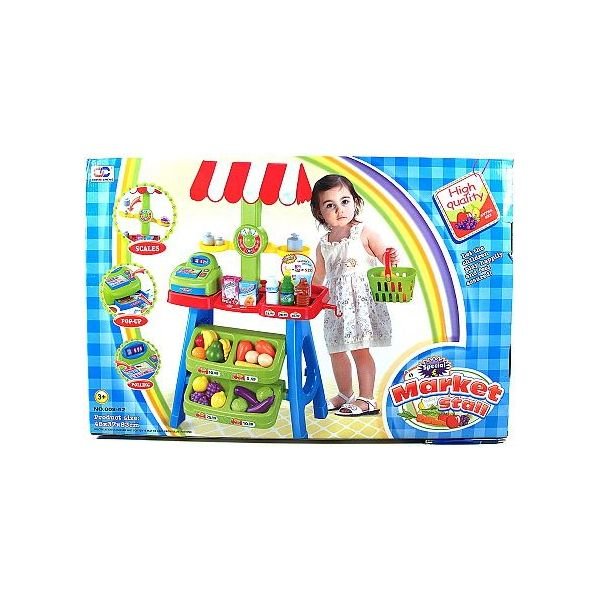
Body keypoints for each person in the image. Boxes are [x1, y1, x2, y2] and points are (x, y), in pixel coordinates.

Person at [311, 174, 398, 416]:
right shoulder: (323, 244)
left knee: (360, 349)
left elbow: (385, 259)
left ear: (355, 201)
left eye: (345, 201)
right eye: (330, 205)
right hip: (335, 307)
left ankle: (367, 399)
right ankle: (345, 394)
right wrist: (307, 292)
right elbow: (319, 277)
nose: (339, 209)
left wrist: (390, 257)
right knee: (336, 350)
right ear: (320, 213)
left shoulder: (364, 232)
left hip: (360, 305)